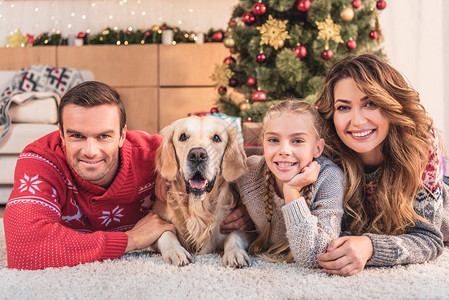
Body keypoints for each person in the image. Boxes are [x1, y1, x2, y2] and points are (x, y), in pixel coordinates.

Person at [3, 81, 250, 270]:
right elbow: (23, 248)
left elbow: (243, 160)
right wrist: (130, 240)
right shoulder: (40, 161)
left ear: (123, 135)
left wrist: (249, 211)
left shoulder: (160, 152)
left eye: (104, 136)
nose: (90, 151)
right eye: (77, 135)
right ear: (61, 133)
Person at [315, 54, 449, 276]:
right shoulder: (324, 150)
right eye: (343, 107)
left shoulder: (420, 147)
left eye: (370, 103)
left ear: (390, 105)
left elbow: (429, 239)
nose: (357, 121)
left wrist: (370, 246)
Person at [235, 99, 345, 267]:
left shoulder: (329, 178)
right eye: (273, 140)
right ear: (263, 142)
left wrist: (292, 192)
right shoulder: (251, 172)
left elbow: (315, 256)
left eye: (298, 141)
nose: (284, 151)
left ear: (318, 148)